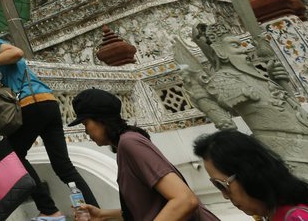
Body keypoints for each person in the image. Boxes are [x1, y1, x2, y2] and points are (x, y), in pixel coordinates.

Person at [0, 20, 98, 221]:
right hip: (49, 103)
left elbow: (17, 52)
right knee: (63, 165)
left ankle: (49, 210)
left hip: (32, 104)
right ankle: (96, 212)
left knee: (13, 155)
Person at [70, 88, 217, 221]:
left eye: (85, 123)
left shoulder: (130, 143)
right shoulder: (125, 145)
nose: (86, 131)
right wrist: (103, 214)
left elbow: (185, 200)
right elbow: (148, 208)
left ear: (101, 119)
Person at [193, 129, 308, 221]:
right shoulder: (274, 214)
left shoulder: (295, 217)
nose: (225, 196)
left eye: (221, 185)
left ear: (247, 174)